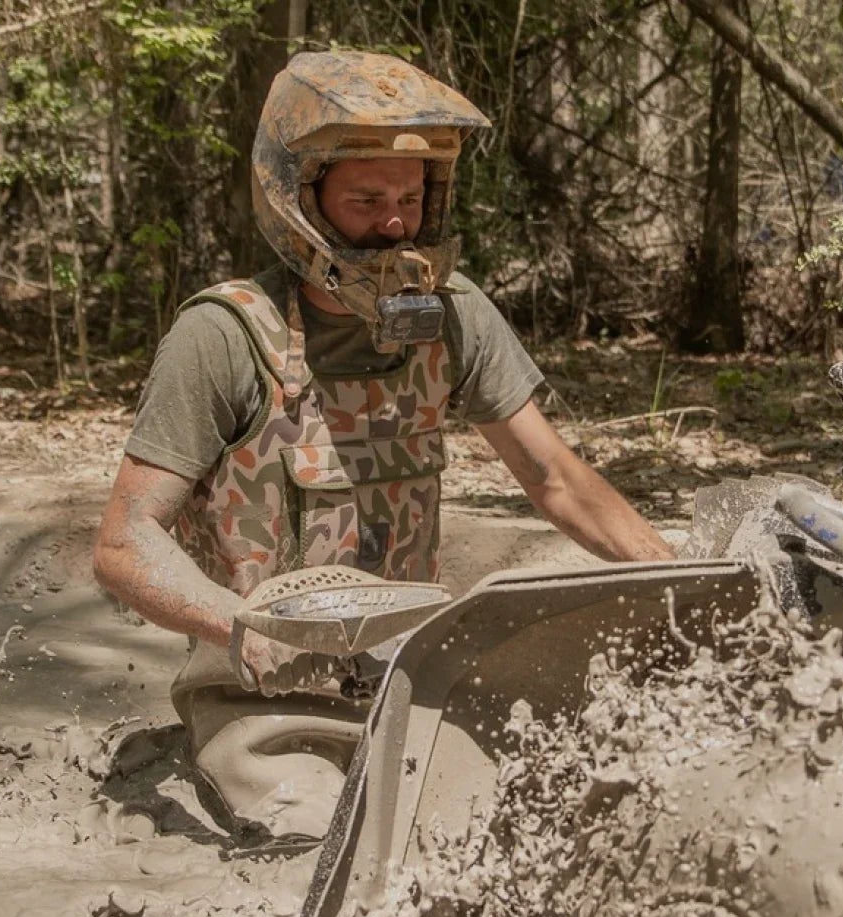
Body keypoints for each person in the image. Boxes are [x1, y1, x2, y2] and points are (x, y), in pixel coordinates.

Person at [93, 51, 672, 840]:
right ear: (301, 199)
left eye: (410, 196)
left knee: (563, 804)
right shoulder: (223, 336)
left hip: (411, 677)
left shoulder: (456, 313)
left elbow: (556, 478)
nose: (396, 223)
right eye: (366, 199)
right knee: (336, 845)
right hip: (268, 703)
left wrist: (678, 576)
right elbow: (125, 543)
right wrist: (242, 626)